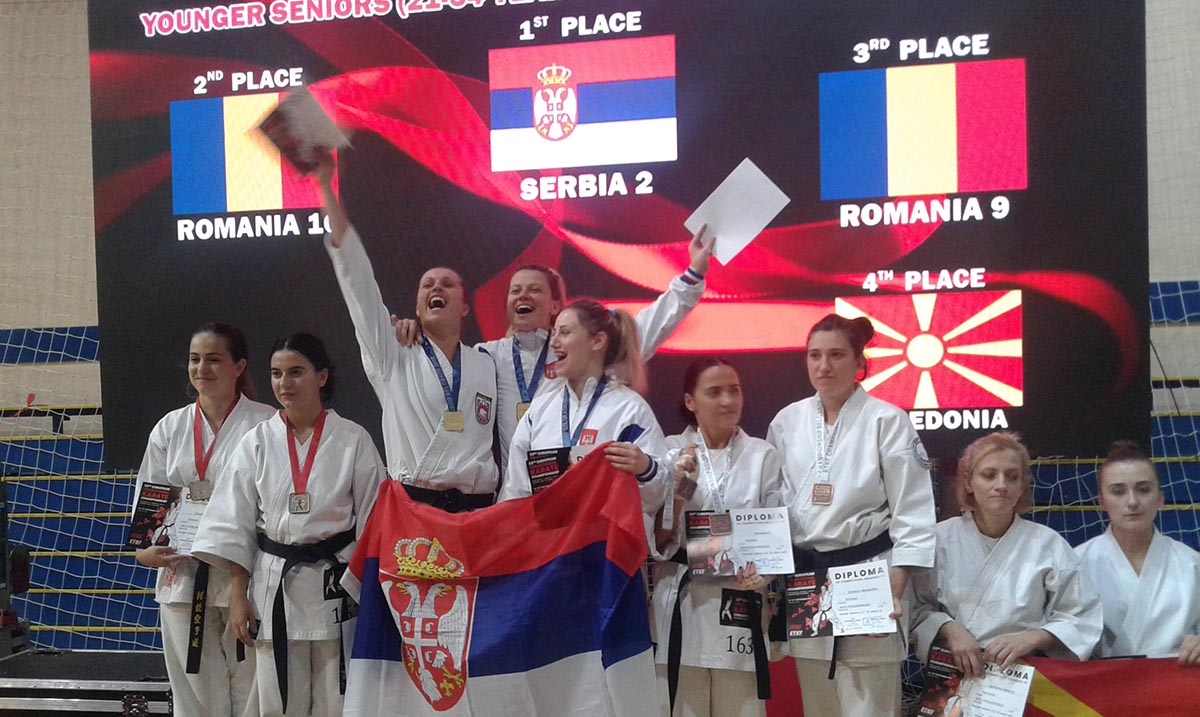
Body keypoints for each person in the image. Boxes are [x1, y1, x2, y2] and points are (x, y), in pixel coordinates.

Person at [395, 232, 714, 474]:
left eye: (534, 289)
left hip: (574, 495)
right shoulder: (486, 357)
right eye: (515, 290)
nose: (522, 295)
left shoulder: (578, 351)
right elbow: (447, 363)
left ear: (555, 306)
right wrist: (416, 330)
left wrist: (692, 277)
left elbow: (644, 328)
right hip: (517, 497)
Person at [191, 333, 384, 717]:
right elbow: (234, 524)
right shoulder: (257, 441)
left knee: (337, 703)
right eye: (276, 374)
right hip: (274, 585)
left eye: (296, 372)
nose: (284, 383)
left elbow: (374, 523)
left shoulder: (353, 439)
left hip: (336, 586)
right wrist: (238, 596)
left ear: (321, 377)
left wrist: (370, 597)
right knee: (279, 704)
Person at [767, 314, 936, 717]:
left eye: (836, 355)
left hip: (868, 574)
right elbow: (772, 504)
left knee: (869, 703)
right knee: (818, 704)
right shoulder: (786, 421)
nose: (824, 366)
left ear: (860, 362)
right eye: (815, 355)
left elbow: (913, 509)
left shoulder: (887, 420)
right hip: (808, 580)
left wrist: (895, 588)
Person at [316, 156, 497, 511]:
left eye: (447, 284)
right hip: (415, 511)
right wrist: (325, 186)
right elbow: (358, 283)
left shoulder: (487, 362)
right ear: (417, 306)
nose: (436, 287)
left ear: (464, 306)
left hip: (478, 514)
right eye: (427, 284)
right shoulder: (392, 353)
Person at [132, 322, 276, 717]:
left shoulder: (266, 424)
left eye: (213, 360)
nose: (201, 369)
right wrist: (144, 549)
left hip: (244, 577)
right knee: (194, 695)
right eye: (195, 360)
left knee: (250, 690)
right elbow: (152, 495)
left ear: (238, 367)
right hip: (182, 574)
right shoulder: (170, 427)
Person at [649, 357, 783, 717]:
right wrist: (679, 488)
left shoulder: (762, 455)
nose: (727, 400)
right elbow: (658, 541)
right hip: (682, 598)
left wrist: (763, 573)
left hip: (739, 598)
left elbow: (774, 533)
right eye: (714, 392)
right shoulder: (670, 450)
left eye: (734, 390)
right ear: (690, 401)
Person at [910, 432, 1103, 680]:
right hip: (953, 674)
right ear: (968, 482)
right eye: (989, 475)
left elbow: (1080, 614)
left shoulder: (1047, 543)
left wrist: (1033, 638)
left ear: (1022, 486)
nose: (1001, 485)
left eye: (1012, 477)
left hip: (1025, 675)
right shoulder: (939, 539)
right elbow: (916, 607)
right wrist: (949, 629)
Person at [497, 299, 667, 508]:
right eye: (555, 332)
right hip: (548, 529)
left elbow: (657, 498)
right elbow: (515, 491)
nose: (553, 342)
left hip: (605, 529)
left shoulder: (629, 409)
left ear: (597, 341)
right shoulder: (540, 410)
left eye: (565, 332)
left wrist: (646, 469)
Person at [1075, 440, 1200, 664]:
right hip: (1102, 683)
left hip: (1176, 680)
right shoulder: (1076, 562)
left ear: (1160, 498)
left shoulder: (1192, 563)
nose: (1132, 502)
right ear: (1102, 502)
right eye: (1118, 491)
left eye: (1143, 490)